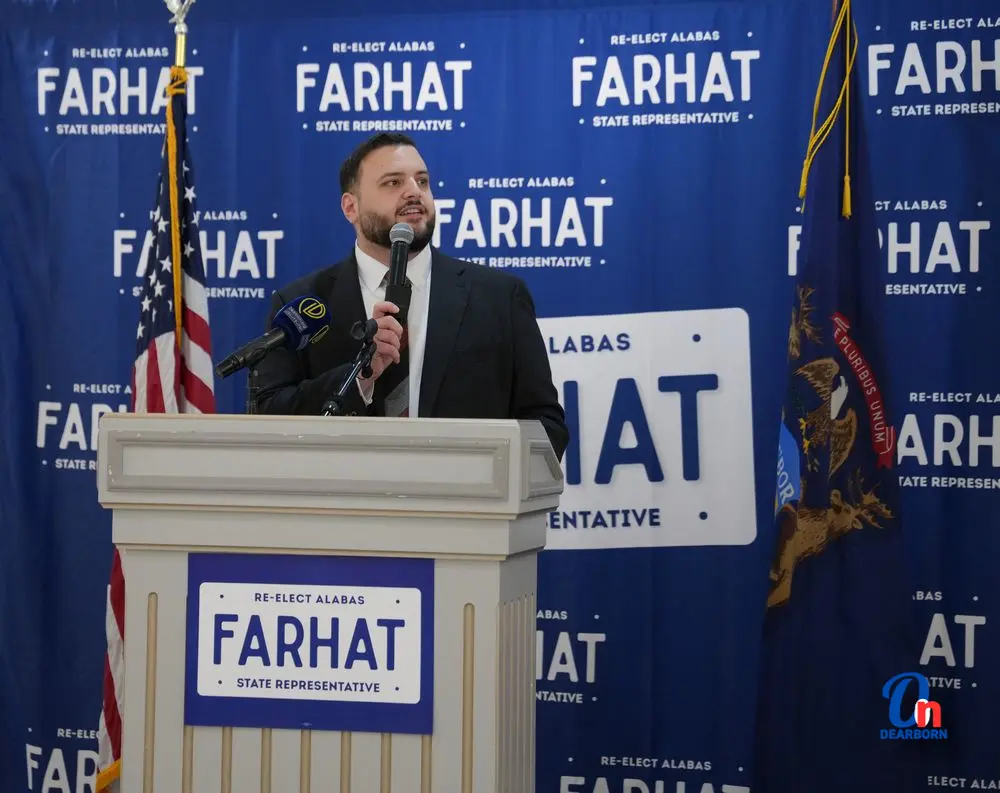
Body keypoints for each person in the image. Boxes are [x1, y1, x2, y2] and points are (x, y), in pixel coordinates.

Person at [247, 132, 569, 460]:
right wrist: (359, 377)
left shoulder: (498, 297)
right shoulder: (303, 303)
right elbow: (269, 418)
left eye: (422, 181)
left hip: (462, 490)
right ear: (351, 207)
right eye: (393, 182)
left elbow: (545, 426)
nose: (414, 192)